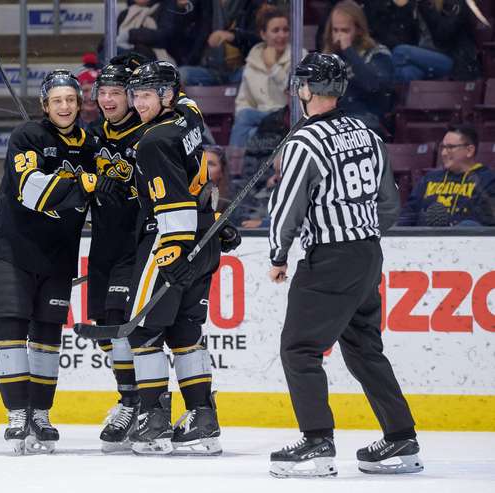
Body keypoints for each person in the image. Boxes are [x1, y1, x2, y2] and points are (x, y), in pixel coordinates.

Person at [266, 52, 422, 478]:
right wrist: (362, 235)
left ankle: (317, 442)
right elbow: (389, 200)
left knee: (299, 349)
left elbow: (287, 206)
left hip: (330, 259)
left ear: (307, 90)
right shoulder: (367, 134)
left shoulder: (303, 142)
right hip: (367, 253)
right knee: (364, 349)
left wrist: (278, 255)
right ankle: (401, 438)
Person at [0, 69, 126, 455]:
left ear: (80, 104)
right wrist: (85, 183)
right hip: (13, 251)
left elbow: (112, 188)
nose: (64, 106)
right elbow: (31, 192)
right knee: (11, 334)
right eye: (56, 101)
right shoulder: (27, 136)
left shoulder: (93, 144)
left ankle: (41, 415)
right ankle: (17, 416)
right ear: (45, 106)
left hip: (58, 256)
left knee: (47, 339)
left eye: (71, 99)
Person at [124, 61, 240, 456]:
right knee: (185, 332)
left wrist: (172, 252)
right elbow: (198, 182)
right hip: (205, 238)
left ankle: (154, 421)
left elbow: (171, 201)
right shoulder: (190, 115)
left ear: (166, 96)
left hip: (172, 241)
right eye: (135, 95)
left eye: (146, 94)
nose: (138, 103)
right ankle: (202, 420)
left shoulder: (153, 141)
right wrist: (214, 222)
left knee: (142, 332)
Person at [87, 54, 147, 452]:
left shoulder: (149, 134)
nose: (108, 99)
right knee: (106, 333)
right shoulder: (91, 136)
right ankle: (134, 397)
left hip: (136, 243)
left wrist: (129, 192)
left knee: (122, 323)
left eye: (116, 92)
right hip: (103, 245)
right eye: (102, 92)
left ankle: (134, 404)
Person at [230, 5, 302, 147]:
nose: (282, 35)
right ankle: (235, 165)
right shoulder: (253, 58)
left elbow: (295, 93)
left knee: (247, 126)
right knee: (247, 125)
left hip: (286, 119)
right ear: (263, 34)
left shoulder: (299, 56)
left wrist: (273, 67)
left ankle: (233, 165)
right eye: (276, 30)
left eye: (285, 30)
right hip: (260, 120)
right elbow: (243, 101)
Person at [321, 0, 393, 136]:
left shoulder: (378, 54)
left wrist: (349, 51)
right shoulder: (329, 58)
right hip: (334, 120)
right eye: (335, 30)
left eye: (345, 31)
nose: (339, 36)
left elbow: (373, 85)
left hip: (367, 120)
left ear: (359, 30)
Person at [399, 125, 495, 226]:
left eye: (450, 147)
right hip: (424, 239)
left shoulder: (488, 180)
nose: (444, 153)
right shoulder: (429, 178)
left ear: (469, 150)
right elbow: (407, 216)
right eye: (443, 147)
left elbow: (488, 224)